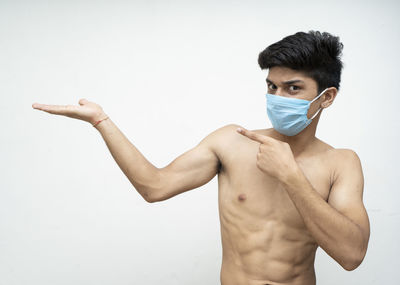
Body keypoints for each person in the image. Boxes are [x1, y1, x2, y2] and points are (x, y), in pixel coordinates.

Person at [32, 30, 370, 285]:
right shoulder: (231, 142)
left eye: (292, 88)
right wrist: (101, 121)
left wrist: (291, 177)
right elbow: (154, 186)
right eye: (271, 86)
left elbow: (352, 255)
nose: (278, 97)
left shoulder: (341, 163)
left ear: (326, 97)